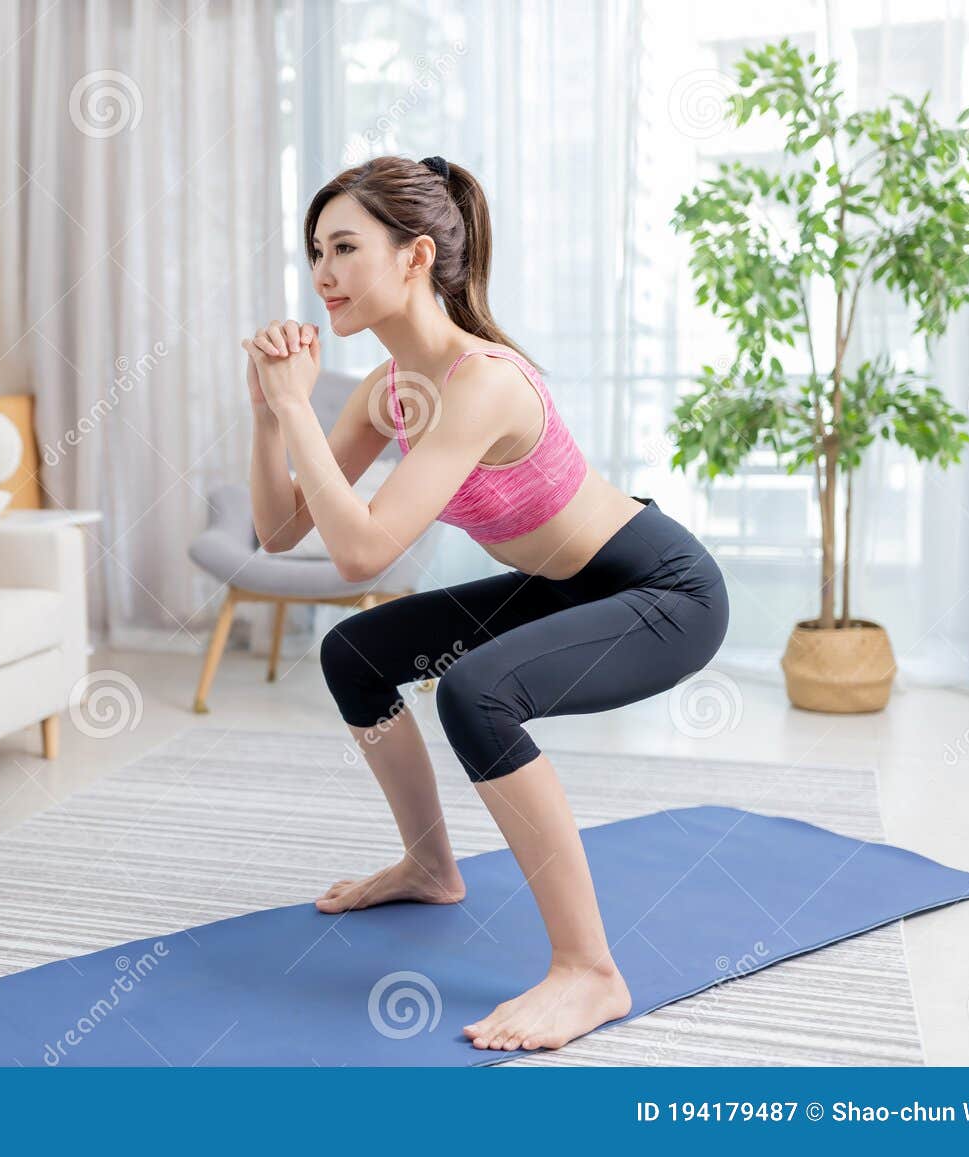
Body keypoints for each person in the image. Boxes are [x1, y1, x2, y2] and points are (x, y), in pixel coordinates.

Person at [241, 154, 729, 1054]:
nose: (322, 274)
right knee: (355, 653)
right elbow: (279, 532)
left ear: (415, 255)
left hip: (662, 589)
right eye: (315, 251)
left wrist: (298, 409)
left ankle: (590, 971)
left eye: (345, 247)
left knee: (476, 691)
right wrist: (272, 413)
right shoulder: (389, 393)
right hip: (560, 585)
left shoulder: (483, 381)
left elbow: (362, 550)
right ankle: (430, 866)